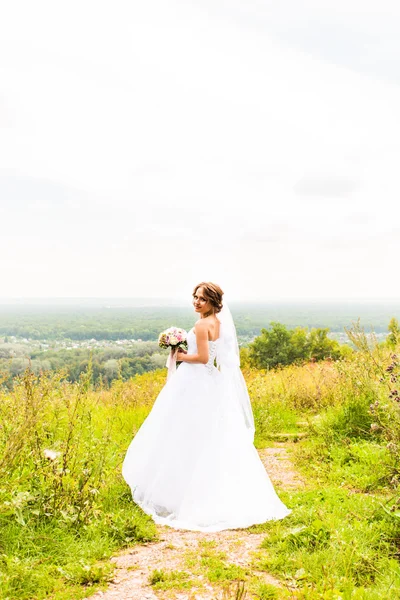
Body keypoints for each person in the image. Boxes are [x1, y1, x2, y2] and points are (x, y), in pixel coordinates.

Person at [122, 282, 291, 532]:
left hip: (195, 380)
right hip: (211, 382)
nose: (196, 302)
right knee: (206, 435)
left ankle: (178, 492)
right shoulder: (218, 323)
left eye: (202, 299)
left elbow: (202, 358)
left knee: (182, 432)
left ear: (213, 302)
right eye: (195, 297)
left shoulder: (202, 325)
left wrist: (178, 355)